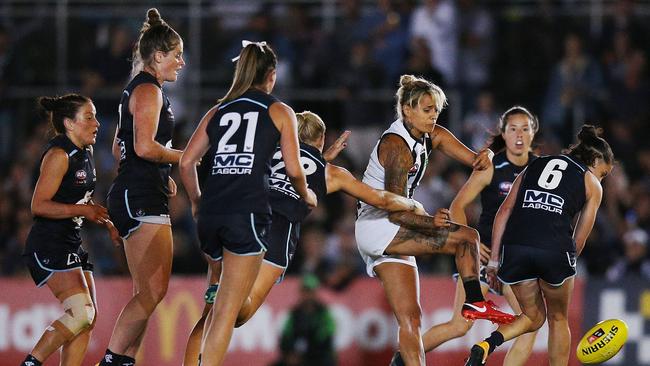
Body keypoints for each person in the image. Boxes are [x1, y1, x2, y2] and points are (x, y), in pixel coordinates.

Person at [182, 110, 428, 365]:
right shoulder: (332, 173)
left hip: (237, 218)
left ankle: (218, 294)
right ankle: (225, 292)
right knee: (238, 313)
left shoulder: (266, 151)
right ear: (321, 139)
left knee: (210, 316)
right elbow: (380, 198)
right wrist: (411, 204)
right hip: (276, 232)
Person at [355, 74, 515, 366]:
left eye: (436, 110)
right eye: (427, 110)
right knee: (468, 238)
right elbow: (396, 211)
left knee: (411, 319)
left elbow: (476, 161)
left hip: (390, 227)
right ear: (407, 110)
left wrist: (490, 151)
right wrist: (432, 223)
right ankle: (476, 303)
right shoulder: (396, 147)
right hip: (381, 225)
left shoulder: (432, 135)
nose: (433, 116)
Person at [179, 40, 317, 366]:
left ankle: (216, 285)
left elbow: (186, 163)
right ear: (271, 75)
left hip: (211, 215)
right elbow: (295, 168)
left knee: (214, 304)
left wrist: (197, 202)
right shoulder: (279, 110)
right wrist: (307, 193)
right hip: (248, 213)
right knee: (228, 313)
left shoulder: (218, 110)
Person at [464, 125, 614, 366]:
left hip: (515, 246)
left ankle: (486, 345)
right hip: (554, 247)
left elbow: (504, 212)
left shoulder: (535, 164)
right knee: (557, 318)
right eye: (603, 173)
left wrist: (494, 261)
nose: (601, 179)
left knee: (532, 317)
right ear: (595, 160)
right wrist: (566, 266)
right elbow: (580, 238)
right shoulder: (592, 183)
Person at [409, 106, 539, 366]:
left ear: (533, 133)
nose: (519, 134)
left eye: (525, 128)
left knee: (528, 323)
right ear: (503, 132)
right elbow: (458, 205)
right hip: (486, 254)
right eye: (513, 128)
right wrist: (469, 244)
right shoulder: (491, 167)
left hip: (515, 260)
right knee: (460, 325)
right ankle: (404, 358)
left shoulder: (540, 170)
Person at [100, 8, 185, 366]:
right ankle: (112, 360)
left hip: (134, 192)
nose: (182, 62)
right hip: (140, 198)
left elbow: (119, 147)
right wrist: (187, 157)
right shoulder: (149, 90)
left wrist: (158, 174)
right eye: (177, 55)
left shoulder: (137, 89)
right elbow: (144, 147)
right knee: (152, 292)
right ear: (158, 55)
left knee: (145, 293)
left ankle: (124, 361)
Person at [21, 94, 121, 366]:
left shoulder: (85, 153)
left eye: (96, 116)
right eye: (89, 117)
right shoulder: (58, 155)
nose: (97, 123)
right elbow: (39, 205)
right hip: (49, 244)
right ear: (69, 123)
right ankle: (31, 363)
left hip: (70, 241)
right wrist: (83, 211)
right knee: (81, 313)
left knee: (88, 319)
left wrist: (107, 222)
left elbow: (80, 201)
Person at [273, 274, 336, 366]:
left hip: (318, 358)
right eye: (305, 291)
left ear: (315, 293)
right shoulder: (294, 314)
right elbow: (285, 339)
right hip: (296, 357)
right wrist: (290, 354)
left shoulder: (324, 315)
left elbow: (326, 341)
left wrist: (305, 355)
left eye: (310, 291)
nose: (308, 295)